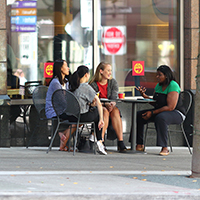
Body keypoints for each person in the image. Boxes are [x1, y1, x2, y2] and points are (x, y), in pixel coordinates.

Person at [135, 65, 186, 156]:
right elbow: (156, 103)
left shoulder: (173, 85)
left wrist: (152, 112)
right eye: (157, 75)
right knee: (139, 115)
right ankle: (139, 144)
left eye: (159, 75)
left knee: (161, 118)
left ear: (166, 75)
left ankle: (164, 147)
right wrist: (145, 96)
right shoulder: (158, 86)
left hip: (176, 113)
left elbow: (170, 107)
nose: (157, 77)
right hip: (161, 111)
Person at [89, 62, 127, 152]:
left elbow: (114, 96)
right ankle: (100, 141)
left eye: (111, 70)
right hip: (98, 108)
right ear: (101, 71)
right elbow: (93, 100)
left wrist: (112, 104)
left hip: (110, 106)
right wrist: (105, 104)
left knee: (115, 111)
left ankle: (120, 141)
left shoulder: (113, 82)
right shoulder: (93, 84)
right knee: (104, 111)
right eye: (108, 70)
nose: (110, 73)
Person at [69, 65, 107, 155]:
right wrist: (102, 119)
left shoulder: (73, 85)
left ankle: (97, 140)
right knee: (98, 113)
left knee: (95, 111)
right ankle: (99, 141)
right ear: (86, 75)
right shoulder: (86, 87)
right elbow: (98, 102)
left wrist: (90, 104)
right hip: (81, 116)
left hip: (71, 116)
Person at [45, 59, 76, 151]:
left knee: (78, 118)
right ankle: (64, 139)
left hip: (62, 109)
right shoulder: (55, 83)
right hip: (54, 111)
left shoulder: (65, 82)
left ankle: (63, 135)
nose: (68, 68)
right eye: (66, 66)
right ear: (61, 69)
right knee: (78, 119)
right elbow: (62, 101)